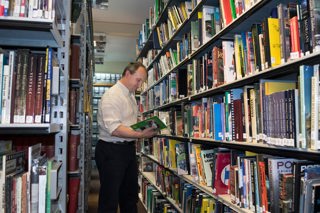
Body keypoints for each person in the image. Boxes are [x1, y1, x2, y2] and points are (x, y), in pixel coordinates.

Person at [95, 62, 157, 213]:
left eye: (142, 81)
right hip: (111, 151)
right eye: (138, 80)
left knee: (129, 196)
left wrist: (144, 126)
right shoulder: (112, 96)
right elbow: (115, 129)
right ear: (128, 74)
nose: (140, 85)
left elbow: (129, 123)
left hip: (127, 150)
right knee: (109, 199)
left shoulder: (130, 96)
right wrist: (140, 134)